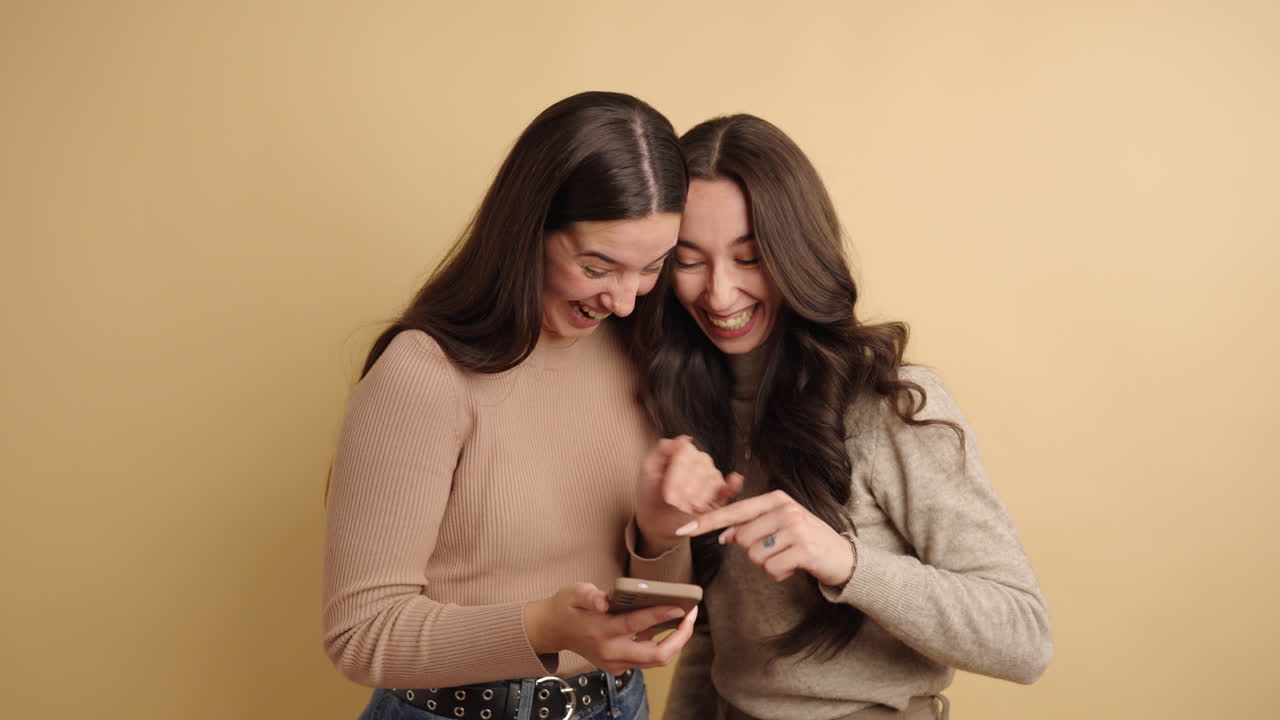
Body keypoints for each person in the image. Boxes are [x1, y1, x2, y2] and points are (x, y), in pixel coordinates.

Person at [627, 115, 1053, 720]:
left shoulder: (891, 403)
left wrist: (847, 562)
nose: (719, 295)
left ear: (797, 253)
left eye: (750, 258)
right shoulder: (689, 403)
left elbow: (1025, 637)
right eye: (689, 261)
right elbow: (716, 649)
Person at [323, 91, 731, 720]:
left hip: (615, 707)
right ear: (529, 230)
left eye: (651, 267)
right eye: (597, 266)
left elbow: (641, 611)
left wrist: (657, 530)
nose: (624, 300)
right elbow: (361, 634)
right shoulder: (423, 375)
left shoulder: (640, 354)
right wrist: (543, 627)